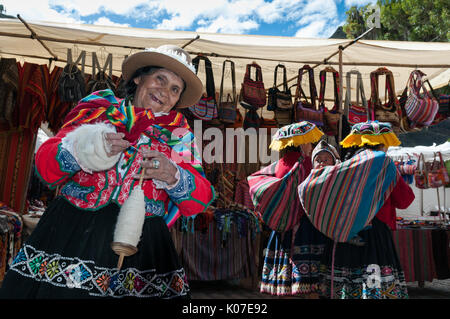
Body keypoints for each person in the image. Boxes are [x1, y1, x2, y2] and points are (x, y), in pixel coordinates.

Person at [0, 45, 215, 299]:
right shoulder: (98, 109)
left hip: (143, 250)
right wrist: (85, 147)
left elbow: (200, 200)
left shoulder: (180, 136)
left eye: (174, 89)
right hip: (72, 235)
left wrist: (172, 175)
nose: (165, 92)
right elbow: (46, 167)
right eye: (160, 79)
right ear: (138, 77)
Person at [312, 121, 415, 299]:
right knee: (375, 285)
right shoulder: (384, 163)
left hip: (346, 231)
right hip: (376, 234)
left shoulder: (348, 163)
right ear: (383, 141)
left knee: (347, 283)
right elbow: (405, 200)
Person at [248, 121, 329, 297]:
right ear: (301, 143)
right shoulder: (306, 164)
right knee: (309, 283)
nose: (311, 145)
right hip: (304, 227)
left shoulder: (279, 164)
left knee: (284, 280)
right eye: (308, 142)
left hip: (282, 226)